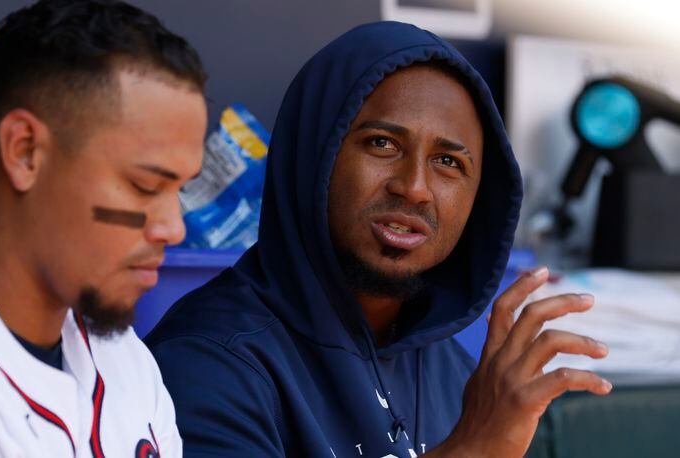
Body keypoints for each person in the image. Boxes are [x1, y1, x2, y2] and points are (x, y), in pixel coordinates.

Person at [145, 22, 610, 457]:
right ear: (313, 154)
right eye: (382, 144)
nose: (414, 187)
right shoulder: (207, 361)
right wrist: (471, 447)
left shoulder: (456, 374)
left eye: (448, 162)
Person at [0, 0, 206, 456]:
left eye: (178, 190)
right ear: (23, 152)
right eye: (144, 184)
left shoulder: (116, 345)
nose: (173, 228)